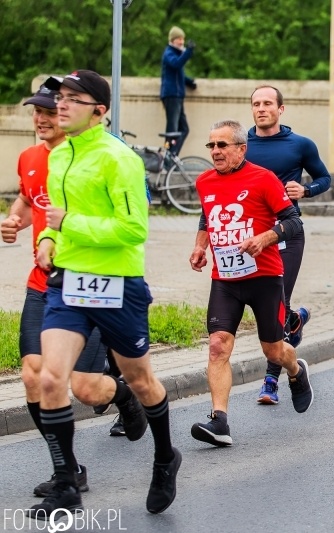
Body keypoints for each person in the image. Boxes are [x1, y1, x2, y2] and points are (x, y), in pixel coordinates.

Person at [27, 70, 180, 517]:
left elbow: (133, 229)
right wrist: (46, 244)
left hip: (118, 287)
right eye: (60, 97)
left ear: (100, 110)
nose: (61, 105)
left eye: (74, 98)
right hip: (68, 284)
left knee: (140, 381)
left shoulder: (120, 159)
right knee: (51, 378)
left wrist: (67, 225)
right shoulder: (59, 156)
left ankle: (166, 456)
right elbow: (54, 222)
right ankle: (66, 483)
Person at [1, 81, 113, 499]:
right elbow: (29, 201)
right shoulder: (30, 157)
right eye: (37, 111)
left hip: (92, 283)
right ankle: (67, 469)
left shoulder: (94, 159)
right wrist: (14, 222)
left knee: (85, 388)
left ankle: (125, 396)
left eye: (50, 111)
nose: (42, 118)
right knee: (34, 375)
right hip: (43, 283)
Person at [188, 120, 314, 446]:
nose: (215, 151)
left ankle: (296, 371)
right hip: (226, 279)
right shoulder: (204, 181)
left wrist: (266, 238)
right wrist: (200, 246)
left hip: (265, 277)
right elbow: (207, 216)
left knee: (273, 349)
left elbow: (293, 222)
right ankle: (219, 421)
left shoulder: (263, 179)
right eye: (211, 146)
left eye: (222, 145)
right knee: (218, 346)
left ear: (241, 148)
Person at [244, 85, 331, 404]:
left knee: (275, 303)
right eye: (256, 104)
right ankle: (295, 320)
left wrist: (305, 190)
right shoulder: (242, 145)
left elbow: (325, 178)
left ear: (281, 109)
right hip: (251, 236)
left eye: (268, 103)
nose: (261, 108)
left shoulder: (300, 145)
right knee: (275, 305)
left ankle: (270, 380)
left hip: (288, 233)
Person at [160, 26, 196, 156]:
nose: (182, 42)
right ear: (172, 40)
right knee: (172, 129)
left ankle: (172, 155)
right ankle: (167, 156)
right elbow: (176, 64)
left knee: (184, 129)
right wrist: (189, 51)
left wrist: (188, 81)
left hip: (177, 95)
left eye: (183, 39)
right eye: (179, 39)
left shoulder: (176, 53)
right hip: (171, 95)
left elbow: (176, 73)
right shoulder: (169, 53)